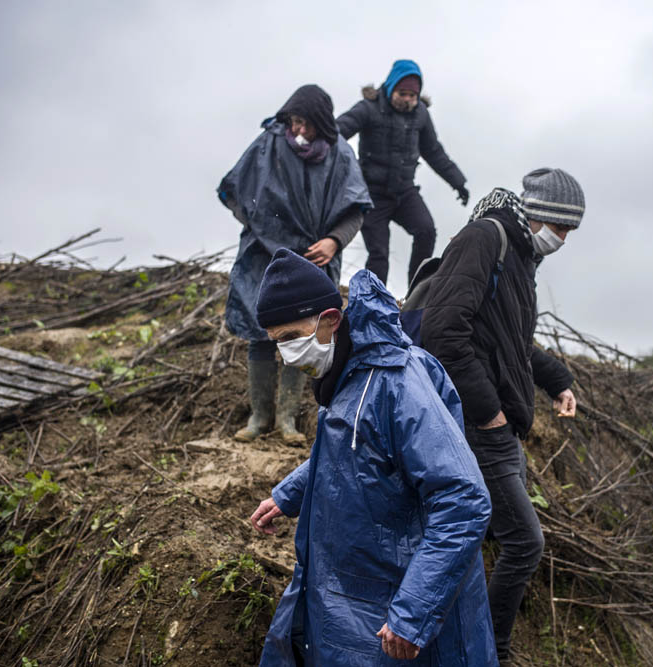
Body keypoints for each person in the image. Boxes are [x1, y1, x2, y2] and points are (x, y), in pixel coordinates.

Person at [250, 249, 498, 666]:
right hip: (350, 588)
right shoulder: (347, 371)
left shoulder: (397, 383)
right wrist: (289, 494)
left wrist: (412, 614)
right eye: (278, 344)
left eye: (292, 337)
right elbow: (359, 451)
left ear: (330, 319)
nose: (287, 354)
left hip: (389, 599)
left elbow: (464, 500)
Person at [419, 168, 584, 663]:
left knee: (485, 535)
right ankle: (491, 651)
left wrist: (558, 381)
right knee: (524, 543)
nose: (564, 240)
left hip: (502, 426)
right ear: (543, 216)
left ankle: (462, 638)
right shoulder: (485, 239)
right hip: (480, 425)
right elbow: (442, 332)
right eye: (564, 229)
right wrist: (488, 412)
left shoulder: (521, 256)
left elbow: (511, 343)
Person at [218, 85, 371, 444]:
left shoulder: (340, 156)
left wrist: (334, 241)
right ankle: (259, 417)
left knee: (302, 334)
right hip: (263, 256)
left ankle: (287, 420)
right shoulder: (268, 144)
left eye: (308, 125)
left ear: (323, 125)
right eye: (295, 122)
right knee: (261, 332)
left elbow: (355, 211)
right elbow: (235, 191)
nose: (299, 131)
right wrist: (264, 227)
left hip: (312, 259)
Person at [336, 59, 468, 286]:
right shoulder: (369, 108)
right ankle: (372, 303)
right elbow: (337, 133)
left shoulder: (421, 115)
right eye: (402, 93)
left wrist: (458, 182)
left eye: (412, 96)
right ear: (391, 88)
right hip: (372, 194)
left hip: (404, 192)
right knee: (379, 254)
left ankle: (415, 294)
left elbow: (434, 152)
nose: (407, 100)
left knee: (426, 230)